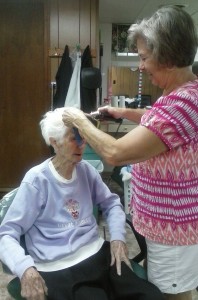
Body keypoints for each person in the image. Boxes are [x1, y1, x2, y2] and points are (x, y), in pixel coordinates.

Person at [62, 5, 198, 300]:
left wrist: (77, 120)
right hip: (162, 224)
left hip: (173, 230)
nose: (141, 66)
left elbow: (114, 152)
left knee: (174, 294)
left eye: (144, 57)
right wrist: (121, 111)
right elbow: (157, 117)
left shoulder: (185, 104)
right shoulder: (177, 95)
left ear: (168, 56)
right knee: (159, 287)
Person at [0, 107, 163, 300]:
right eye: (73, 138)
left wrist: (118, 238)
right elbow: (7, 233)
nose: (81, 144)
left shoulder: (86, 171)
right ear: (55, 142)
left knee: (151, 296)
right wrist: (25, 268)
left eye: (83, 137)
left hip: (98, 254)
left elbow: (111, 204)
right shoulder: (37, 180)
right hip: (60, 267)